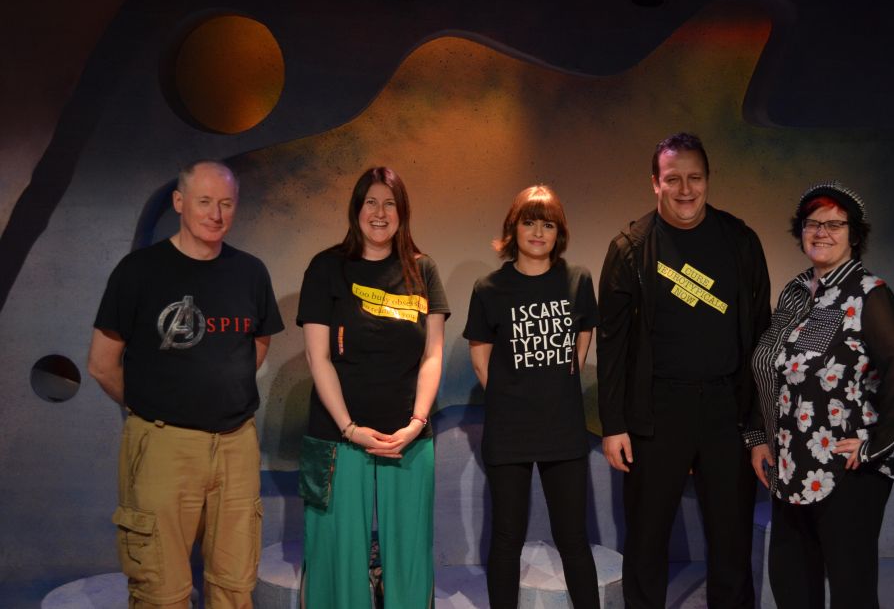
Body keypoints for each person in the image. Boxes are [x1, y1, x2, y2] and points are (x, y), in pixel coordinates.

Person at [87, 160, 284, 609]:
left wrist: (219, 393)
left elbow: (258, 341)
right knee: (161, 591)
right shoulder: (138, 271)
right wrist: (157, 407)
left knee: (235, 586)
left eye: (226, 203)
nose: (216, 214)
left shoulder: (250, 271)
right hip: (162, 446)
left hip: (236, 445)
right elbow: (102, 364)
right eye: (204, 201)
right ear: (179, 202)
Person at [598, 132, 771, 608]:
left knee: (732, 542)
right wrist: (614, 425)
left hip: (726, 409)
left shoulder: (740, 241)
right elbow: (612, 348)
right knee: (648, 542)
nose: (685, 189)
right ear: (654, 183)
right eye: (673, 179)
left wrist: (758, 426)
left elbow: (762, 337)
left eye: (695, 177)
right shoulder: (630, 249)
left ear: (708, 180)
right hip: (656, 410)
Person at [747, 181, 894, 609]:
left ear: (854, 234)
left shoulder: (868, 293)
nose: (821, 232)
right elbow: (771, 367)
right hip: (791, 463)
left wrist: (877, 443)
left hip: (846, 469)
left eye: (834, 224)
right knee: (791, 583)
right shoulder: (795, 291)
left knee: (850, 588)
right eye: (812, 223)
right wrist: (758, 437)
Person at [296, 166, 448, 609]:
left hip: (409, 439)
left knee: (410, 557)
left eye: (390, 203)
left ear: (403, 212)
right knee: (336, 555)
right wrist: (348, 428)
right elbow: (317, 357)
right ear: (356, 209)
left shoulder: (424, 270)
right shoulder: (326, 267)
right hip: (336, 437)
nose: (380, 213)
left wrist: (417, 422)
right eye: (371, 202)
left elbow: (432, 355)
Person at [464, 185, 600, 609]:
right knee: (507, 538)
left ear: (559, 232)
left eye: (548, 224)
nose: (538, 232)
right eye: (529, 222)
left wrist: (558, 384)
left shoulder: (577, 279)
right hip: (509, 432)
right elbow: (481, 357)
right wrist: (513, 399)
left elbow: (583, 334)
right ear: (513, 228)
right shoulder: (489, 288)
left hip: (563, 429)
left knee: (574, 539)